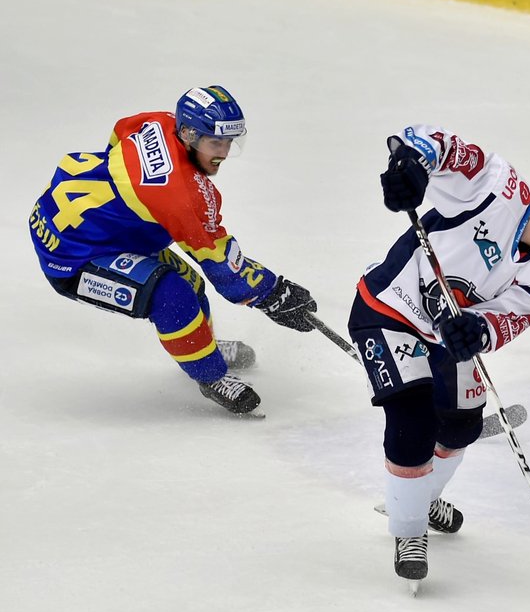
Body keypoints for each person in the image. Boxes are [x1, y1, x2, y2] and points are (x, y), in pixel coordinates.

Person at [349, 124, 530, 584]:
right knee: (413, 419)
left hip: (437, 334)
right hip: (387, 308)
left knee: (462, 423)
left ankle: (420, 494)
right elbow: (444, 148)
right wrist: (411, 164)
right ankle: (409, 528)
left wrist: (477, 330)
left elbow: (508, 318)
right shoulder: (500, 189)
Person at [28, 86, 317, 415]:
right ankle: (211, 377)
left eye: (229, 142)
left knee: (191, 285)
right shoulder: (182, 197)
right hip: (74, 256)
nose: (223, 152)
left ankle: (204, 348)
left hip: (75, 224)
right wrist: (274, 293)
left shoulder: (159, 123)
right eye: (215, 142)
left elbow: (121, 130)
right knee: (172, 295)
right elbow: (221, 264)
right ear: (190, 134)